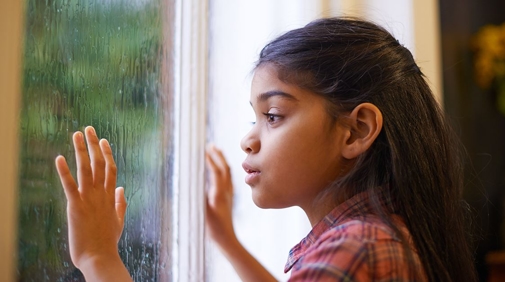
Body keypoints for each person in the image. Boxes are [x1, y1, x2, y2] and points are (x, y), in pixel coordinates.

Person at [55, 17, 477, 281]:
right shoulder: (382, 236)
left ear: (355, 131)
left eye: (273, 116)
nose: (248, 138)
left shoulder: (355, 249)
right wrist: (227, 240)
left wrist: (99, 260)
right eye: (254, 118)